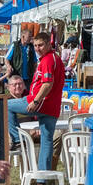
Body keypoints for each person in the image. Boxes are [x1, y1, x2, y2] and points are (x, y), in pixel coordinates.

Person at [25, 30, 66, 176]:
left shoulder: (48, 59)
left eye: (41, 45)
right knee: (47, 139)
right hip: (52, 105)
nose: (37, 48)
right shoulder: (54, 58)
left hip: (41, 102)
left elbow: (48, 83)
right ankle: (43, 177)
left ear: (49, 44)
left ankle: (16, 140)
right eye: (35, 45)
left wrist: (36, 101)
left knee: (8, 106)